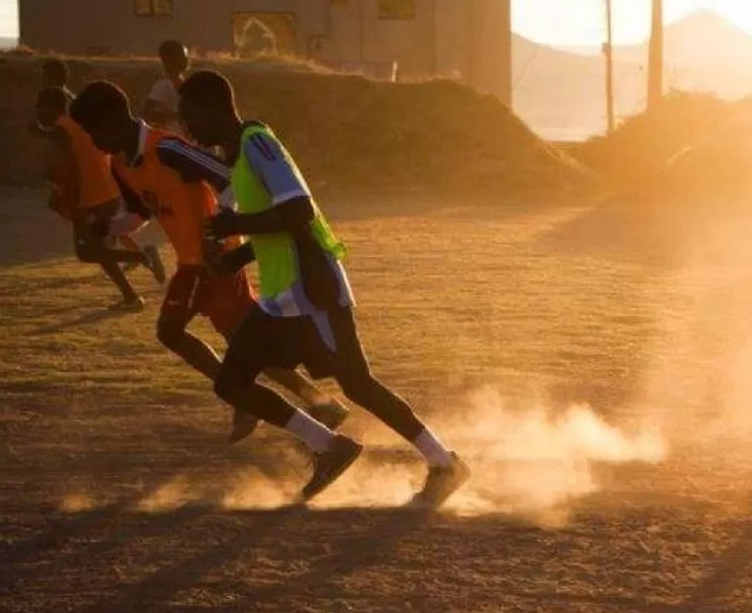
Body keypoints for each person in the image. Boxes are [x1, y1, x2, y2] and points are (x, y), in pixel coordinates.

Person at [178, 68, 470, 507]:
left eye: (189, 115)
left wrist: (236, 224)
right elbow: (276, 228)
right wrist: (235, 258)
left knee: (357, 384)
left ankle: (444, 462)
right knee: (231, 382)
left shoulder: (257, 142)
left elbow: (299, 210)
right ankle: (329, 447)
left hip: (312, 290)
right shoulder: (238, 157)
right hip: (281, 298)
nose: (187, 127)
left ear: (212, 107)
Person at [67, 79, 343, 441]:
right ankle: (319, 402)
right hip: (193, 261)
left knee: (176, 331)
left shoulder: (167, 147)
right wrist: (110, 226)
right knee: (243, 343)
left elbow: (228, 177)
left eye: (93, 131)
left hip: (216, 258)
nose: (92, 142)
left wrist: (221, 226)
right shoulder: (120, 164)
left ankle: (255, 400)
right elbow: (141, 212)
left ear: (115, 118)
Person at [34, 83, 162, 308]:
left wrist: (36, 130)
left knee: (89, 251)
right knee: (99, 244)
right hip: (106, 188)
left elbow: (60, 162)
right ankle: (133, 286)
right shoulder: (81, 122)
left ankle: (140, 262)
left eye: (40, 108)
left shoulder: (63, 127)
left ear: (48, 108)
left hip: (87, 195)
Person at [144, 40, 188, 128]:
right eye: (182, 56)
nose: (186, 60)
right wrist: (176, 115)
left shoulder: (185, 84)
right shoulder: (163, 85)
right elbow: (148, 114)